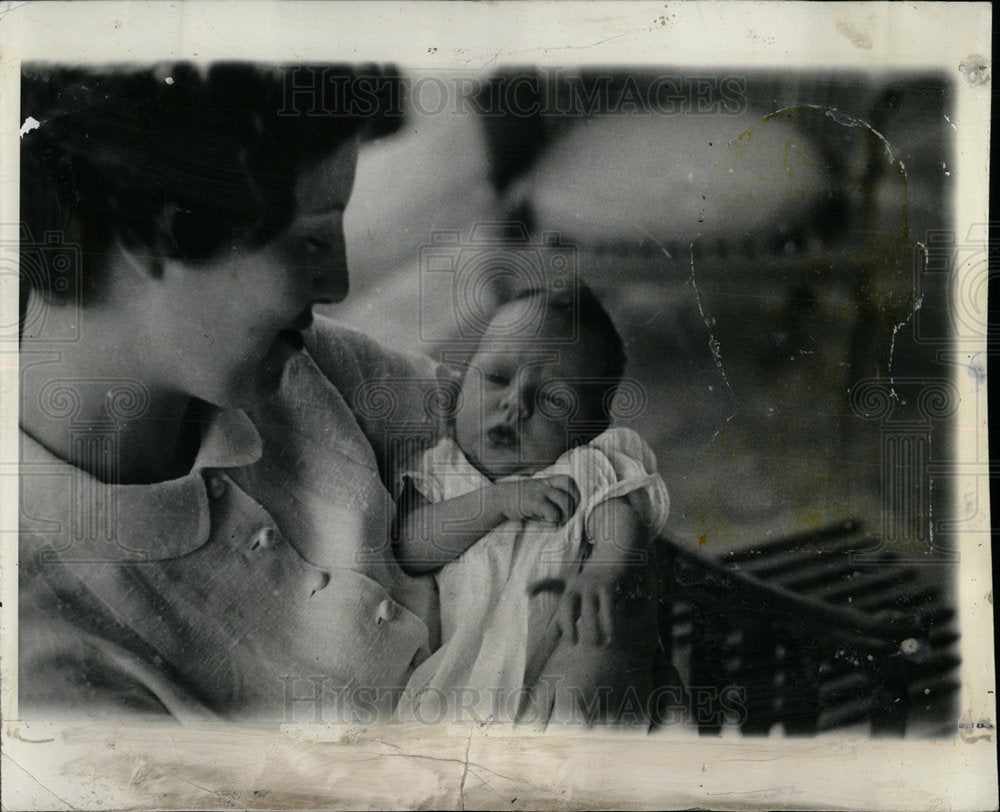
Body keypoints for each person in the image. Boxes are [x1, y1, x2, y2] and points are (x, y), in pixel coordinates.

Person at [17, 62, 441, 722]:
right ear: (153, 235)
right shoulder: (40, 663)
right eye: (311, 239)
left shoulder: (294, 367)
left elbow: (566, 449)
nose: (338, 282)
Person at [393, 284, 671, 724]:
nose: (515, 404)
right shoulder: (440, 470)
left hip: (559, 655)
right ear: (458, 385)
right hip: (468, 675)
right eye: (498, 377)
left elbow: (621, 521)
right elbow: (410, 546)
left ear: (590, 426)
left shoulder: (583, 465)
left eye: (553, 399)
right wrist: (499, 501)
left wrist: (601, 572)